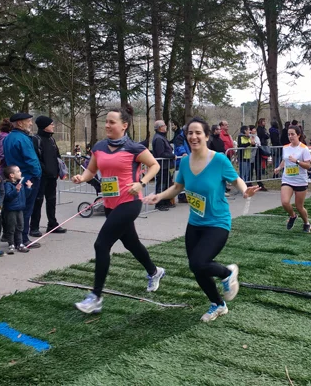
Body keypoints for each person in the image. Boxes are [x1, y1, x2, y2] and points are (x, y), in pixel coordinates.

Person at [143, 117, 259, 322]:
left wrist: (244, 191)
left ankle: (227, 273)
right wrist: (159, 196)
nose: (193, 136)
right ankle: (218, 304)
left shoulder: (219, 160)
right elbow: (177, 187)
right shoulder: (185, 162)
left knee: (199, 262)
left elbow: (236, 179)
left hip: (217, 223)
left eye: (198, 133)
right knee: (196, 267)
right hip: (195, 224)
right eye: (190, 133)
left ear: (206, 136)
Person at [71, 106, 164, 314]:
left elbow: (155, 166)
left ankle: (95, 297)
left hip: (130, 202)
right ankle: (154, 271)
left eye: (112, 122)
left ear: (124, 125)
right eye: (106, 121)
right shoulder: (99, 147)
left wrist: (141, 183)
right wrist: (81, 178)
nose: (107, 125)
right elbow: (91, 170)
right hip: (110, 204)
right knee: (131, 243)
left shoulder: (134, 148)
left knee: (101, 244)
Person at [3, 112, 43, 248]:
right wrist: (37, 174)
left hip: (14, 176)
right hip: (27, 177)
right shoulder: (23, 139)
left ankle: (14, 237)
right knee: (26, 209)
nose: (31, 124)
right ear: (20, 123)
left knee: (15, 208)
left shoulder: (8, 138)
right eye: (28, 121)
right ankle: (23, 239)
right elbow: (31, 159)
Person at [30, 116, 67, 236]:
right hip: (41, 177)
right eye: (51, 124)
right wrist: (45, 171)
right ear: (44, 126)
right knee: (38, 201)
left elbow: (57, 157)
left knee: (51, 201)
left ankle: (52, 224)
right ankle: (34, 227)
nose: (53, 126)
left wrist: (60, 170)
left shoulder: (52, 139)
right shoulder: (35, 140)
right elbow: (36, 159)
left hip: (52, 177)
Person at [273, 125, 311, 233]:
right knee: (285, 202)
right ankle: (292, 216)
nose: (290, 136)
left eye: (292, 134)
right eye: (289, 134)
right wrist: (279, 168)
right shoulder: (285, 147)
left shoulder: (304, 149)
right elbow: (285, 160)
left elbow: (308, 166)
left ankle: (306, 223)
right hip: (287, 179)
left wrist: (297, 161)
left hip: (300, 181)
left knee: (299, 207)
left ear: (298, 135)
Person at [2, 165, 33, 254]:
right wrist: (16, 190)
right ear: (12, 175)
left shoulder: (20, 184)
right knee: (11, 227)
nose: (20, 173)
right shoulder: (7, 185)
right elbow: (8, 197)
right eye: (18, 171)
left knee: (20, 227)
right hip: (11, 209)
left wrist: (28, 188)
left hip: (20, 208)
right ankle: (11, 244)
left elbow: (25, 196)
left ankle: (19, 243)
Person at [151, 120, 176, 211]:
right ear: (160, 128)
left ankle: (166, 201)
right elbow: (161, 153)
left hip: (166, 165)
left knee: (166, 184)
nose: (166, 127)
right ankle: (159, 203)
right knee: (161, 184)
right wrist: (172, 156)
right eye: (164, 125)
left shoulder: (161, 137)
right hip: (162, 165)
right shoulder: (158, 139)